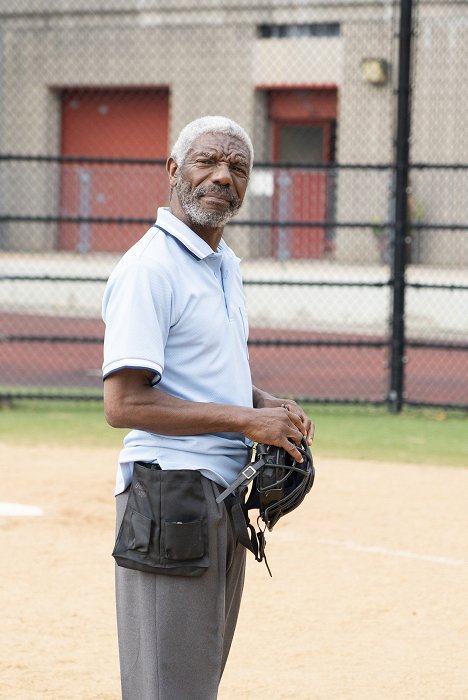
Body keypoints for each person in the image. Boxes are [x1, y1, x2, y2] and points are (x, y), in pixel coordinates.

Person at [102, 115, 314, 700]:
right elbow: (123, 403)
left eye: (237, 167)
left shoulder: (225, 266)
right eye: (207, 161)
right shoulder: (151, 269)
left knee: (194, 682)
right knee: (168, 688)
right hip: (169, 494)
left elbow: (203, 374)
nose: (223, 176)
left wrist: (266, 404)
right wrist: (249, 422)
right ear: (174, 171)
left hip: (219, 498)